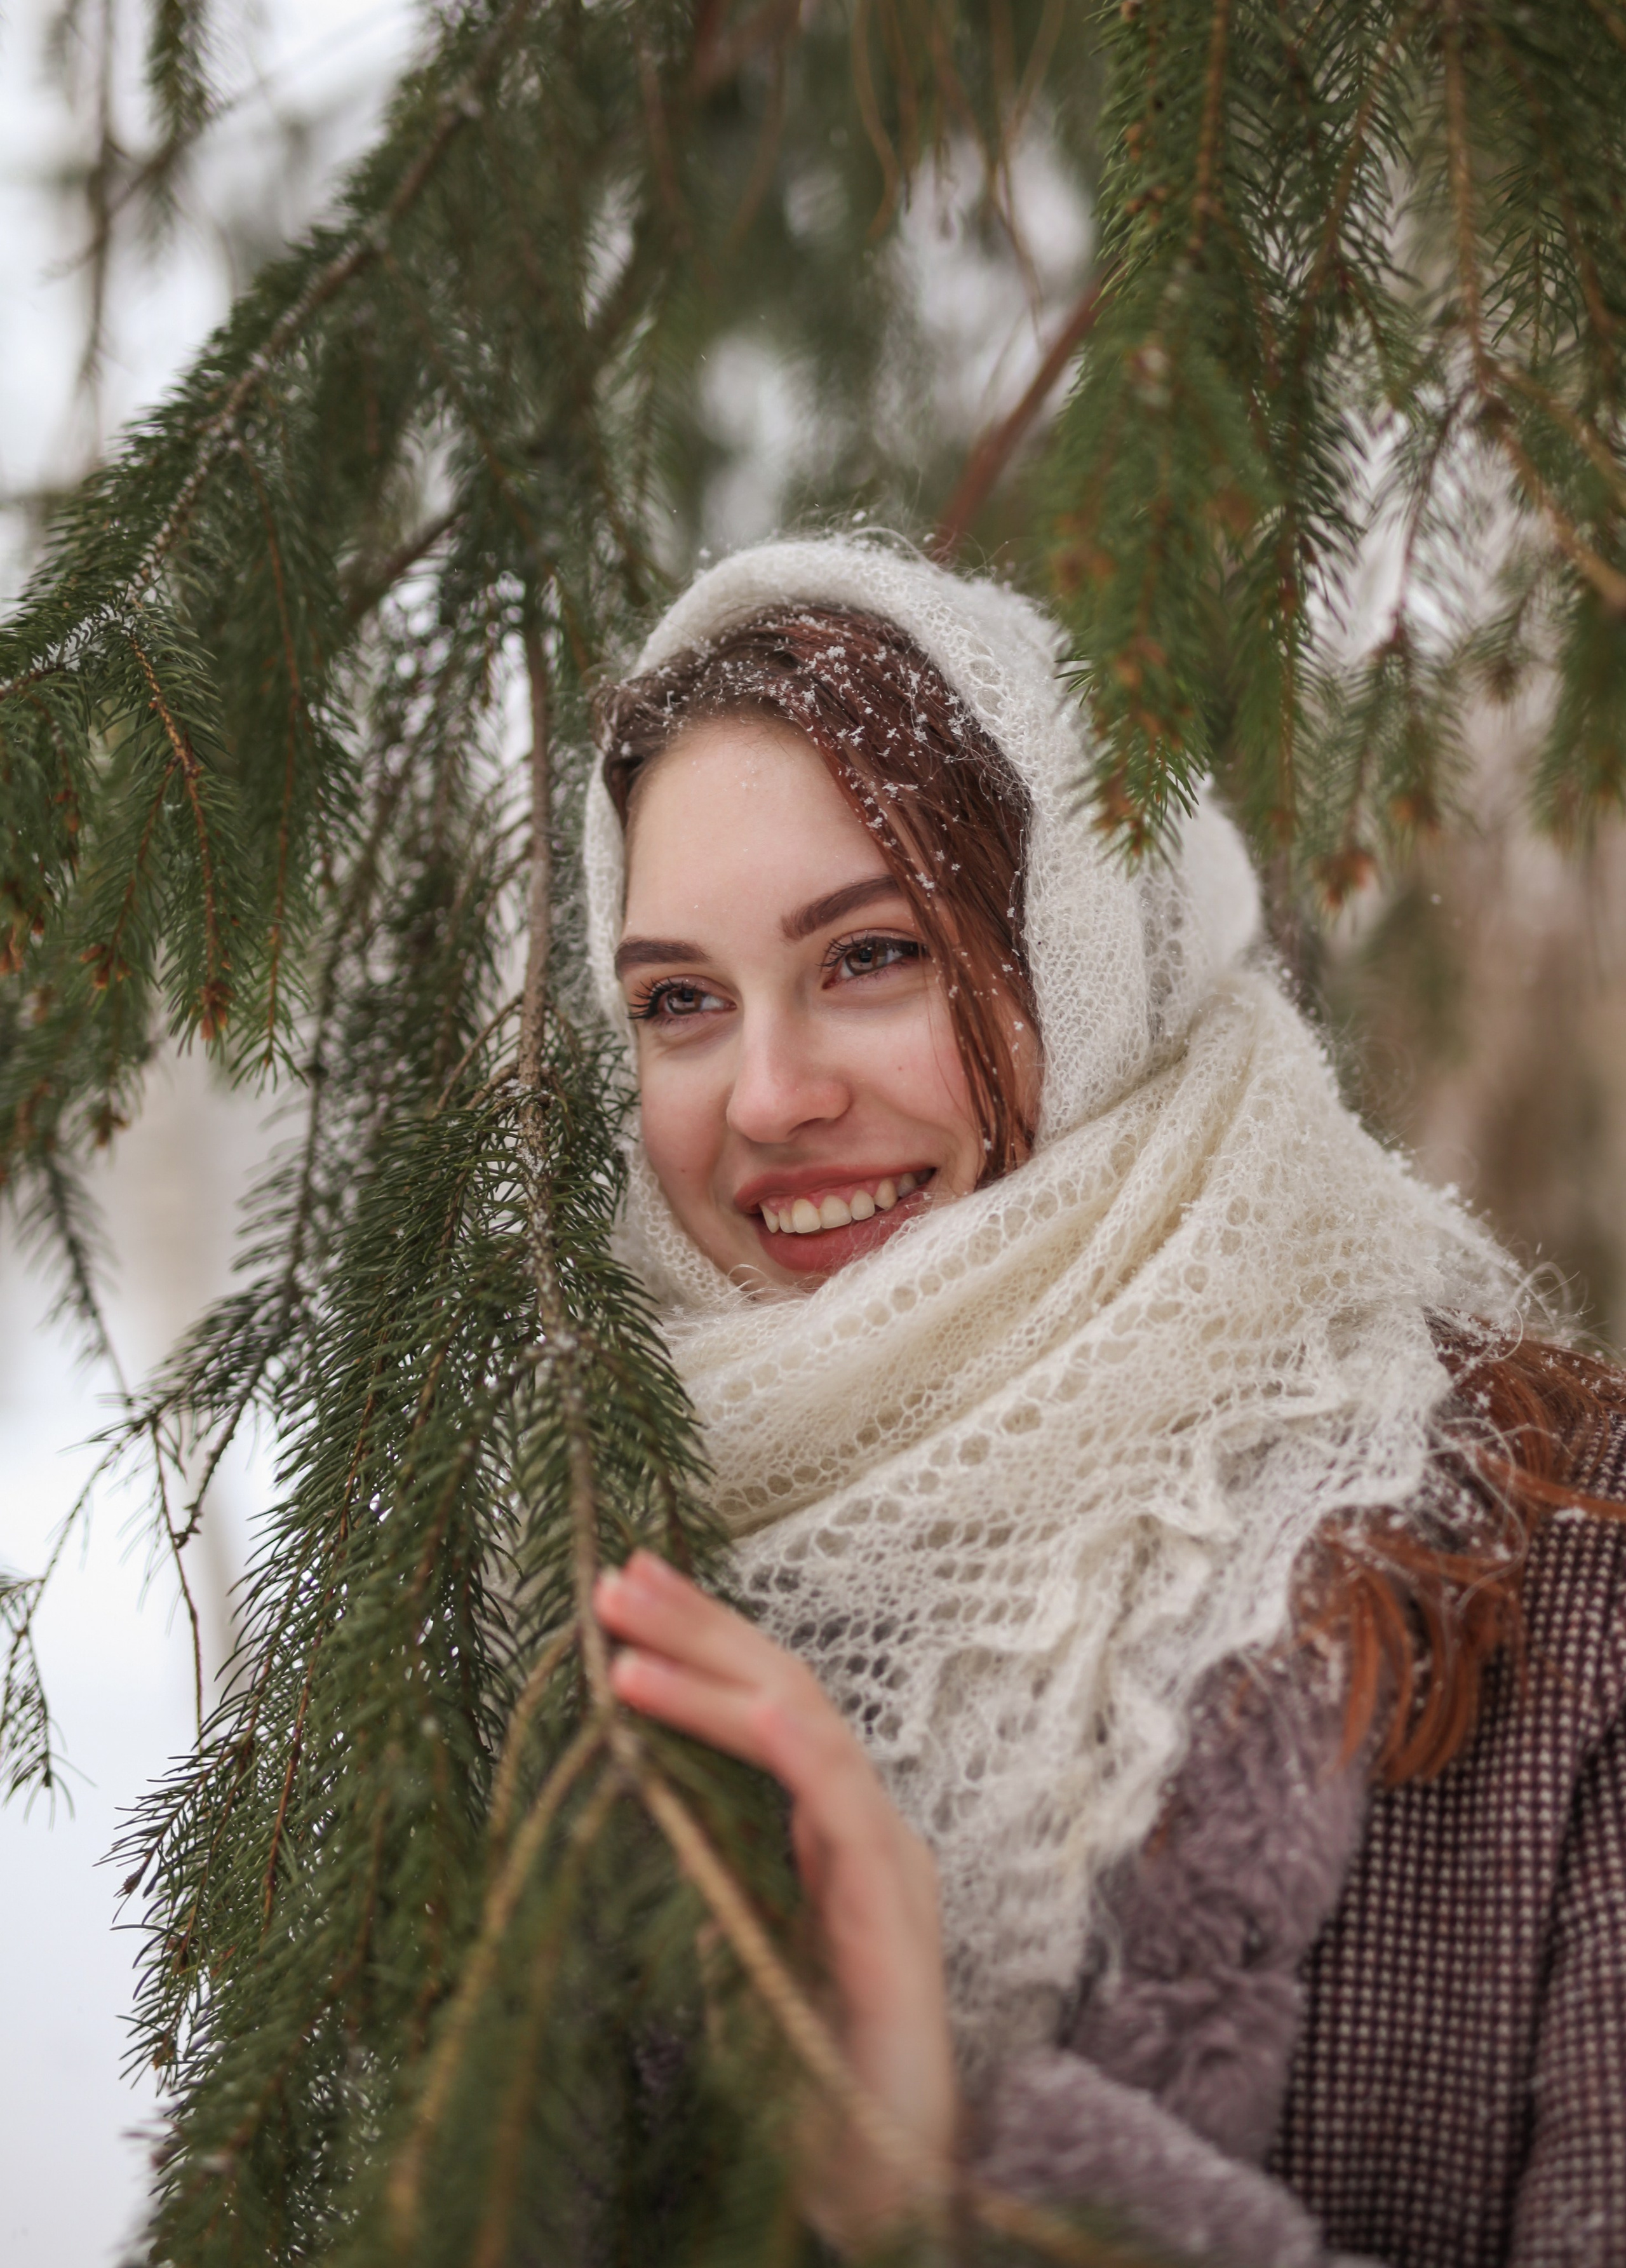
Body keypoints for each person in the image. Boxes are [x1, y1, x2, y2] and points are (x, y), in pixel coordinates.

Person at [582, 534, 1626, 2265]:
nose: (765, 1096)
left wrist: (963, 2192)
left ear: (1082, 940)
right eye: (680, 1000)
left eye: (871, 956)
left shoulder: (1567, 1563)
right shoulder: (592, 1585)